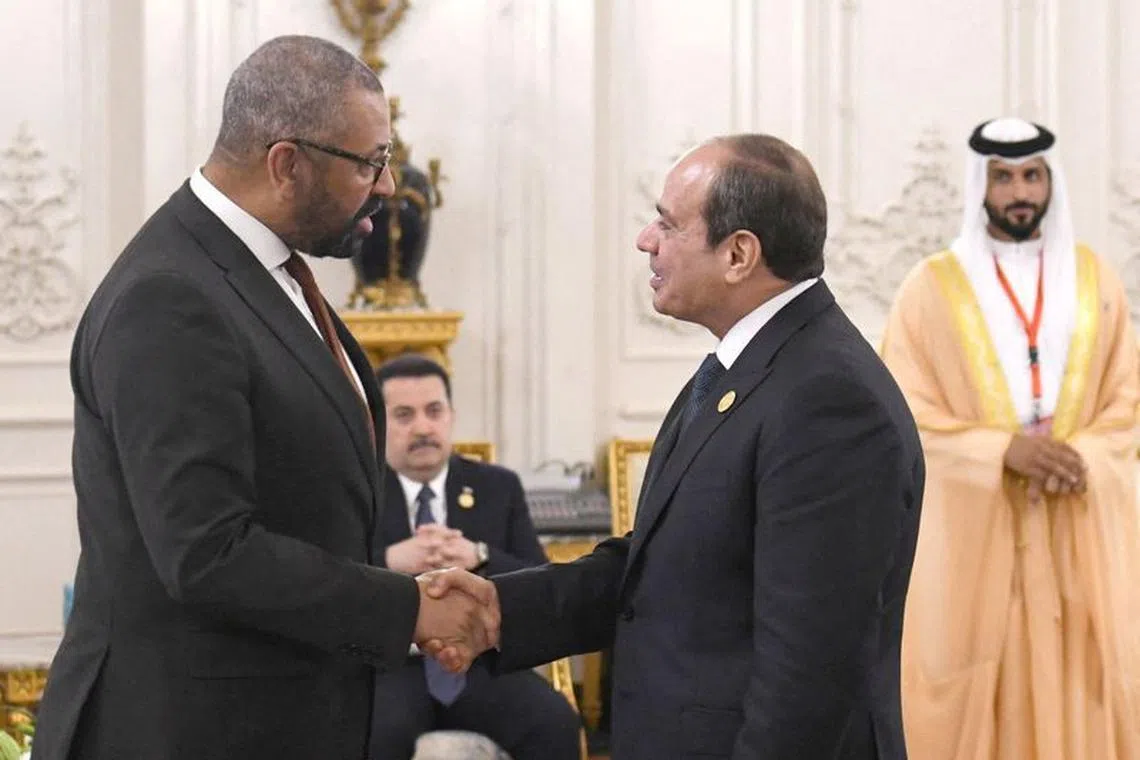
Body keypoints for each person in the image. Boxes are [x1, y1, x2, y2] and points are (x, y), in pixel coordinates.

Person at [31, 35, 493, 760]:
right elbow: (207, 552)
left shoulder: (258, 269)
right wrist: (407, 610)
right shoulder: (171, 296)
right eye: (370, 163)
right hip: (188, 727)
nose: (386, 186)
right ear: (287, 164)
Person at [425, 133, 925, 759]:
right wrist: (505, 609)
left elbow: (809, 674)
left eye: (668, 222)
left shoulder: (828, 401)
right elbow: (665, 565)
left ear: (738, 254)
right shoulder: (748, 368)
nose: (645, 240)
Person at [881, 117, 1140, 760]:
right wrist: (1002, 452)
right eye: (1002, 177)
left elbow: (1127, 400)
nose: (1018, 191)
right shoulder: (930, 288)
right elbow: (902, 415)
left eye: (1031, 175)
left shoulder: (1094, 280)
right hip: (976, 533)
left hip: (1076, 524)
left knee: (1084, 675)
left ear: (1051, 182)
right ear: (981, 186)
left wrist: (1084, 456)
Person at [369, 354, 580, 760]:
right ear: (379, 424)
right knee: (374, 736)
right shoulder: (361, 491)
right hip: (391, 668)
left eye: (434, 411)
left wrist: (480, 556)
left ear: (451, 416)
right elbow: (330, 576)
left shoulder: (497, 486)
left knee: (554, 723)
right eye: (404, 415)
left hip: (480, 667)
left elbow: (540, 581)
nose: (423, 428)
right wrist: (390, 560)